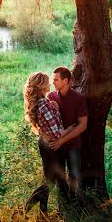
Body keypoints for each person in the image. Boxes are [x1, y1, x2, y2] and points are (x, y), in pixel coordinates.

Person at [23, 71, 72, 214]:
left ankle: (42, 212)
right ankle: (67, 213)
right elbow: (56, 132)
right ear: (40, 86)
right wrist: (70, 128)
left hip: (45, 144)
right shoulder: (44, 104)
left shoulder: (42, 103)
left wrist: (55, 109)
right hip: (51, 146)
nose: (50, 83)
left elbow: (46, 126)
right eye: (47, 81)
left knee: (49, 180)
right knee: (59, 180)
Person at [47, 66, 88, 204]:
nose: (53, 83)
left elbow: (83, 125)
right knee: (60, 178)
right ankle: (63, 208)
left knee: (74, 176)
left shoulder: (79, 99)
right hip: (56, 145)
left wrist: (62, 140)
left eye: (56, 80)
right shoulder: (51, 97)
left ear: (66, 80)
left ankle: (77, 208)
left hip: (72, 145)